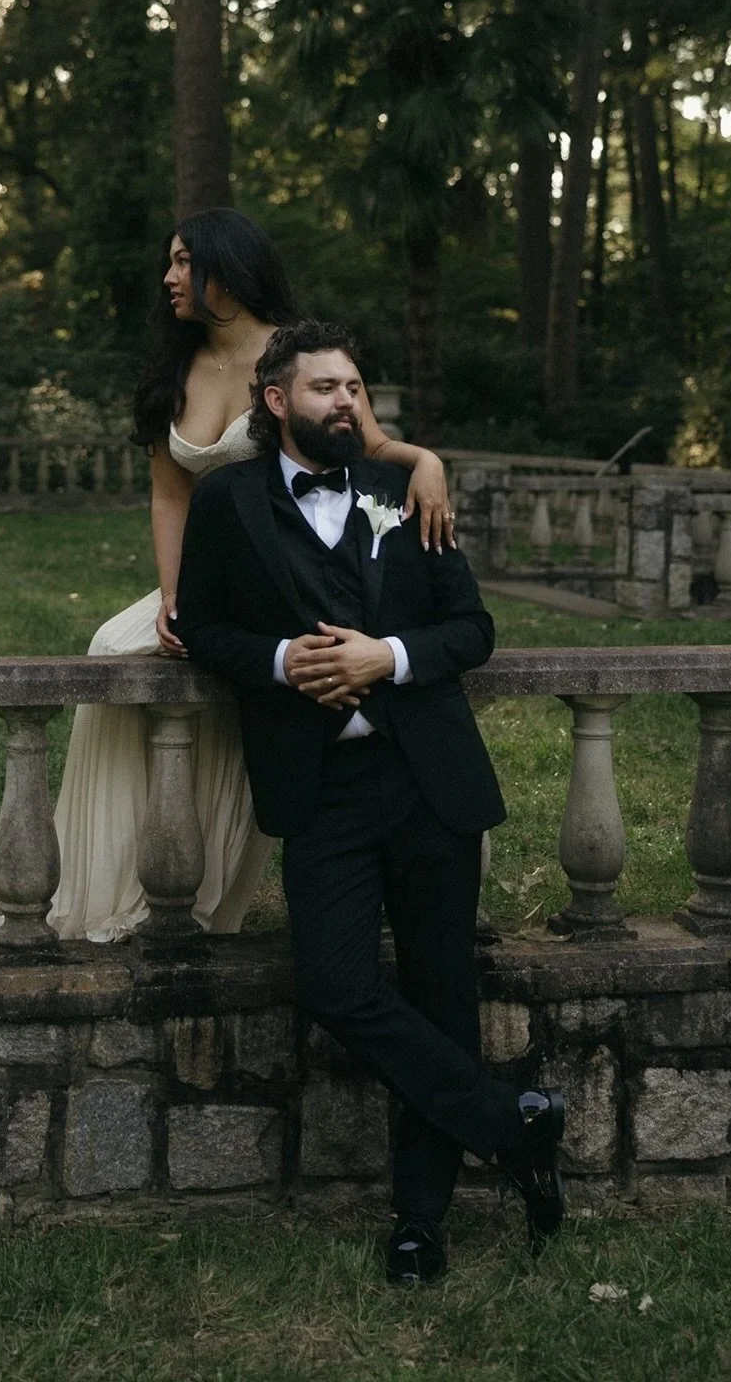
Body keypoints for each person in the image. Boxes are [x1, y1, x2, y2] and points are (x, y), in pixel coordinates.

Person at [174, 320, 565, 1284]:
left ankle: (419, 1222)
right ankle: (510, 1126)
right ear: (277, 401)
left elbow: (472, 630)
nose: (346, 401)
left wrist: (385, 656)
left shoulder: (405, 491)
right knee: (336, 986)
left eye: (354, 387)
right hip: (322, 790)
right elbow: (203, 627)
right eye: (326, 388)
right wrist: (281, 660)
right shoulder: (227, 502)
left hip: (430, 782)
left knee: (442, 995)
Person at [38, 209, 454, 944]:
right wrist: (174, 594)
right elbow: (170, 494)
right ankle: (106, 882)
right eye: (170, 263)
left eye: (183, 263)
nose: (169, 278)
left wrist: (428, 462)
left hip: (292, 578)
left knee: (255, 683)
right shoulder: (173, 370)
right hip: (211, 575)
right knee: (113, 647)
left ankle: (209, 878)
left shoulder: (294, 357)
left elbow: (368, 442)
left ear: (225, 270)